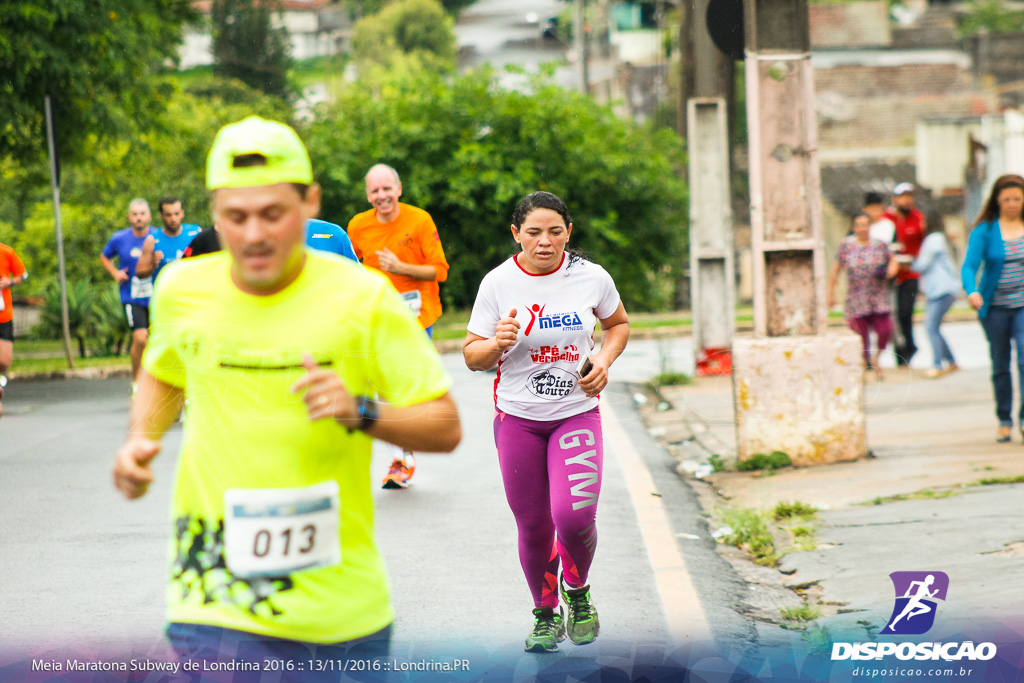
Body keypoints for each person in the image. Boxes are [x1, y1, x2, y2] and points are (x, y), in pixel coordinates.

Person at [111, 115, 461, 674]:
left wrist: (360, 410)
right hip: (213, 600)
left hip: (341, 613)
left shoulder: (363, 298)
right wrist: (137, 440)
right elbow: (167, 371)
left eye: (273, 214)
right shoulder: (183, 290)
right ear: (215, 213)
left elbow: (444, 424)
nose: (254, 234)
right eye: (235, 216)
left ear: (310, 203)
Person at [463, 191, 629, 653]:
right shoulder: (497, 284)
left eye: (555, 232)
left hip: (575, 413)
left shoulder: (591, 277)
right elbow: (471, 357)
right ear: (516, 235)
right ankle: (544, 614)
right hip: (518, 419)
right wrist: (496, 343)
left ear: (568, 233)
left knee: (573, 517)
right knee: (534, 525)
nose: (544, 242)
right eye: (533, 232)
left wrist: (604, 357)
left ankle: (578, 592)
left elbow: (618, 325)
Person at [348, 164, 450, 490]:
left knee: (410, 388)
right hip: (377, 319)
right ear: (368, 195)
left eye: (387, 189)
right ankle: (402, 458)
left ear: (399, 188)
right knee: (384, 385)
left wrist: (400, 267)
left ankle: (409, 444)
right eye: (375, 191)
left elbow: (440, 271)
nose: (382, 196)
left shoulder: (419, 220)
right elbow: (353, 269)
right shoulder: (357, 226)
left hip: (417, 316)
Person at [961, 173, 1024, 443]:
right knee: (1001, 365)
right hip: (995, 308)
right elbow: (969, 267)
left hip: (1023, 306)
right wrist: (972, 290)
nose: (1012, 204)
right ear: (997, 201)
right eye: (1006, 199)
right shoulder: (985, 230)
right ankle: (1004, 419)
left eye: (1017, 198)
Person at [827, 213, 898, 380]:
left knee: (885, 329)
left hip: (878, 295)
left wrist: (890, 272)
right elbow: (836, 269)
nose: (863, 228)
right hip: (857, 297)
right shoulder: (847, 245)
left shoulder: (879, 244)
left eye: (866, 224)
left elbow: (893, 260)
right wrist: (831, 293)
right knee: (861, 335)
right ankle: (865, 365)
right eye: (859, 225)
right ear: (854, 228)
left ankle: (877, 359)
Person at [101, 198, 157, 388]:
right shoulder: (120, 238)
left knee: (157, 339)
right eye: (135, 214)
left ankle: (158, 382)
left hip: (156, 295)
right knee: (140, 337)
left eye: (142, 214)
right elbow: (105, 256)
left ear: (149, 216)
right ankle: (136, 382)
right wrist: (115, 273)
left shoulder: (158, 236)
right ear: (129, 217)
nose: (139, 218)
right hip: (131, 295)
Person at [912, 212, 960, 378]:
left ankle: (937, 364)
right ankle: (952, 361)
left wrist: (907, 263)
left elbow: (921, 265)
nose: (921, 225)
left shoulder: (933, 239)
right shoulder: (940, 238)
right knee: (935, 327)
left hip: (941, 289)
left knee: (931, 327)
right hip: (943, 289)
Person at [885, 182, 926, 366]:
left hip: (910, 274)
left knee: (905, 312)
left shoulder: (918, 218)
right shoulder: (887, 220)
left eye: (910, 196)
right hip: (890, 274)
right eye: (903, 196)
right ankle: (899, 352)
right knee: (892, 315)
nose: (907, 200)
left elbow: (923, 245)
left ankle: (909, 347)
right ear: (895, 199)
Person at [135, 197, 204, 280]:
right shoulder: (152, 240)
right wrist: (153, 265)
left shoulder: (196, 233)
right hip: (166, 292)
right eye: (168, 215)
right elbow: (139, 273)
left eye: (176, 214)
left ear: (182, 213)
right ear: (161, 215)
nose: (173, 219)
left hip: (191, 290)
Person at [0, 240, 28, 419]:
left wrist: (10, 282)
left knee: (4, 361)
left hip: (3, 316)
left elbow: (24, 275)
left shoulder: (6, 252)